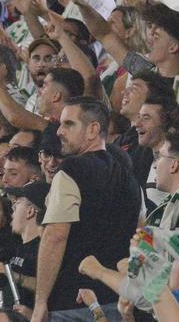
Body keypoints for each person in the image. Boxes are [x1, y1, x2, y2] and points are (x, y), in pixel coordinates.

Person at [34, 98, 141, 320]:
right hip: (120, 301)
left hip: (74, 301)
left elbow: (55, 236)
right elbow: (142, 236)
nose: (59, 132)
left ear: (93, 129)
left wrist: (40, 302)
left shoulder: (72, 169)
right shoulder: (131, 179)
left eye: (69, 124)